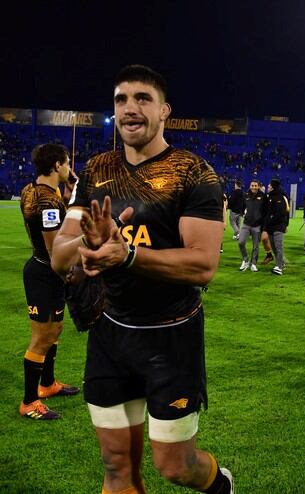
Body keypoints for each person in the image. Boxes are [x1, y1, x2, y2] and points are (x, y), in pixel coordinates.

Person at [51, 65, 233, 493]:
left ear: (164, 110)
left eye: (142, 99)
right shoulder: (97, 169)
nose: (129, 108)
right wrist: (88, 250)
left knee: (175, 466)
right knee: (116, 466)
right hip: (111, 336)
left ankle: (219, 485)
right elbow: (60, 255)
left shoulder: (194, 173)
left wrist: (127, 254)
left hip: (172, 339)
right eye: (120, 100)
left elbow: (203, 265)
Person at [19, 143, 80, 420]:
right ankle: (29, 401)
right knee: (42, 338)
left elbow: (55, 218)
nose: (69, 168)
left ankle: (47, 384)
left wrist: (67, 193)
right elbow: (57, 250)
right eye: (67, 163)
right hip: (45, 273)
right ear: (57, 165)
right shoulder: (46, 201)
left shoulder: (34, 191)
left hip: (46, 273)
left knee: (54, 331)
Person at [238, 179, 265, 272]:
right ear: (250, 186)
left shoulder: (263, 196)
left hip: (257, 225)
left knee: (256, 246)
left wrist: (263, 226)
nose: (254, 187)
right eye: (252, 185)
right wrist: (243, 213)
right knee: (241, 242)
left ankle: (253, 263)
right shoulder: (246, 196)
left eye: (255, 185)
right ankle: (245, 260)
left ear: (258, 186)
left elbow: (266, 211)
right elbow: (241, 208)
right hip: (246, 223)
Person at [264, 178, 290, 275]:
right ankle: (281, 263)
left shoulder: (281, 197)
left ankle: (279, 267)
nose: (268, 187)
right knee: (274, 247)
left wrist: (285, 224)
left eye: (269, 185)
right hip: (271, 226)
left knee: (278, 246)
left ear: (273, 186)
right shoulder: (269, 196)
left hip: (279, 225)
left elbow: (283, 212)